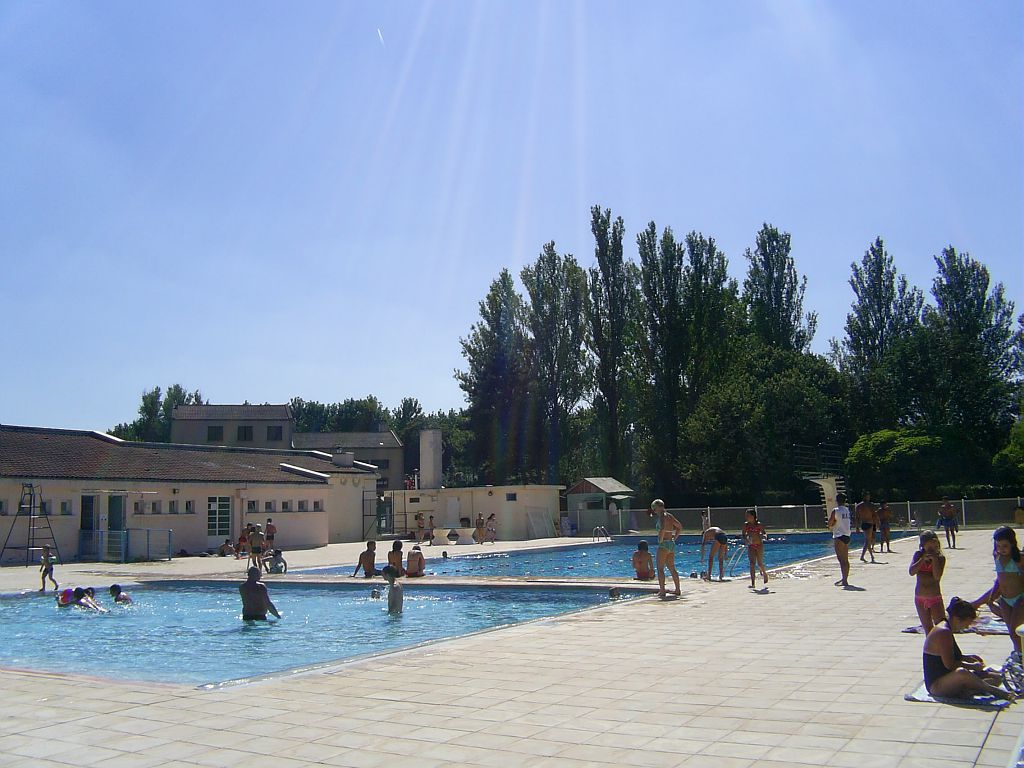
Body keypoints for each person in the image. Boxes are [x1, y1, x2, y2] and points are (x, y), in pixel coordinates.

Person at [923, 597, 1012, 700]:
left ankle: (969, 691)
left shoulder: (947, 629)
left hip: (949, 677)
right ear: (957, 619)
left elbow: (952, 656)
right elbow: (950, 665)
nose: (967, 627)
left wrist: (968, 658)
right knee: (963, 673)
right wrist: (972, 666)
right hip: (937, 685)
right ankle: (992, 690)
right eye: (967, 623)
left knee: (996, 678)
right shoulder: (943, 632)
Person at [980, 526, 1024, 657]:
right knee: (1011, 630)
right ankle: (1018, 653)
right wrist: (991, 598)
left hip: (1020, 599)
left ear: (1012, 543)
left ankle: (1020, 655)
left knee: (1015, 631)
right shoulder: (997, 557)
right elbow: (999, 580)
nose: (1001, 549)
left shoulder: (1019, 559)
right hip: (1005, 600)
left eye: (1005, 546)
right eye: (998, 546)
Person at [909, 531, 945, 633]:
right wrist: (922, 560)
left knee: (941, 628)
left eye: (935, 546)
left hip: (934, 597)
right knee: (928, 629)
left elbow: (937, 576)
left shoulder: (940, 558)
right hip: (920, 598)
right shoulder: (918, 556)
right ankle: (929, 648)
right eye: (929, 547)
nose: (932, 549)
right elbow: (911, 572)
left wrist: (934, 560)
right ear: (923, 546)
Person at [647, 499, 682, 598]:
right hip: (671, 543)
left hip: (664, 545)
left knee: (660, 568)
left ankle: (662, 591)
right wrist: (675, 537)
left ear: (658, 507)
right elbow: (679, 527)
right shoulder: (670, 516)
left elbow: (662, 528)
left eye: (654, 509)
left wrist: (660, 539)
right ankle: (677, 589)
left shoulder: (662, 516)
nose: (654, 511)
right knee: (672, 568)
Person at [828, 492, 852, 587]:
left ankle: (844, 580)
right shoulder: (847, 510)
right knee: (845, 560)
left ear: (836, 501)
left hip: (839, 535)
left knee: (841, 559)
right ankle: (845, 578)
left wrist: (832, 524)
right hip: (847, 535)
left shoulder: (836, 510)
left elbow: (830, 523)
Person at [742, 510, 768, 589]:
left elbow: (764, 532)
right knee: (752, 564)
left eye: (748, 516)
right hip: (751, 545)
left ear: (753, 516)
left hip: (759, 545)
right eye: (746, 516)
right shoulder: (746, 525)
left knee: (760, 563)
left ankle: (764, 573)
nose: (747, 517)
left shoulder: (758, 525)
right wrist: (746, 539)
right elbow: (743, 534)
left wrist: (765, 536)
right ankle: (753, 583)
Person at [855, 490, 878, 564]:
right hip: (868, 523)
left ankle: (863, 556)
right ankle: (871, 556)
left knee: (867, 540)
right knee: (868, 541)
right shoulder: (870, 505)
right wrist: (877, 522)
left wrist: (857, 527)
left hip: (864, 523)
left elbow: (857, 517)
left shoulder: (859, 506)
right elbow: (874, 515)